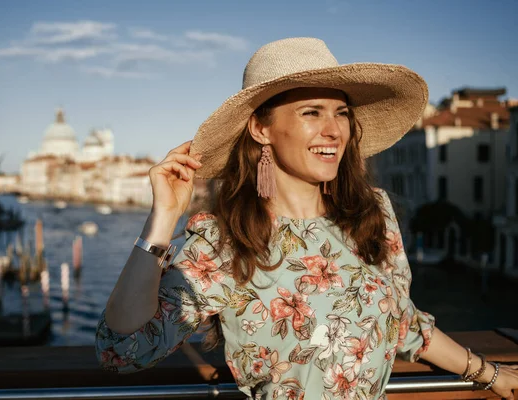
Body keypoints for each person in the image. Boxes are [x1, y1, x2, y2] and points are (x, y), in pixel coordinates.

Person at [95, 38, 518, 399]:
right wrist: (164, 217)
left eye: (341, 112)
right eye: (311, 112)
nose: (334, 130)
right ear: (261, 129)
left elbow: (403, 322)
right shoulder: (225, 240)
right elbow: (123, 350)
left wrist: (490, 373)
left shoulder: (373, 214)